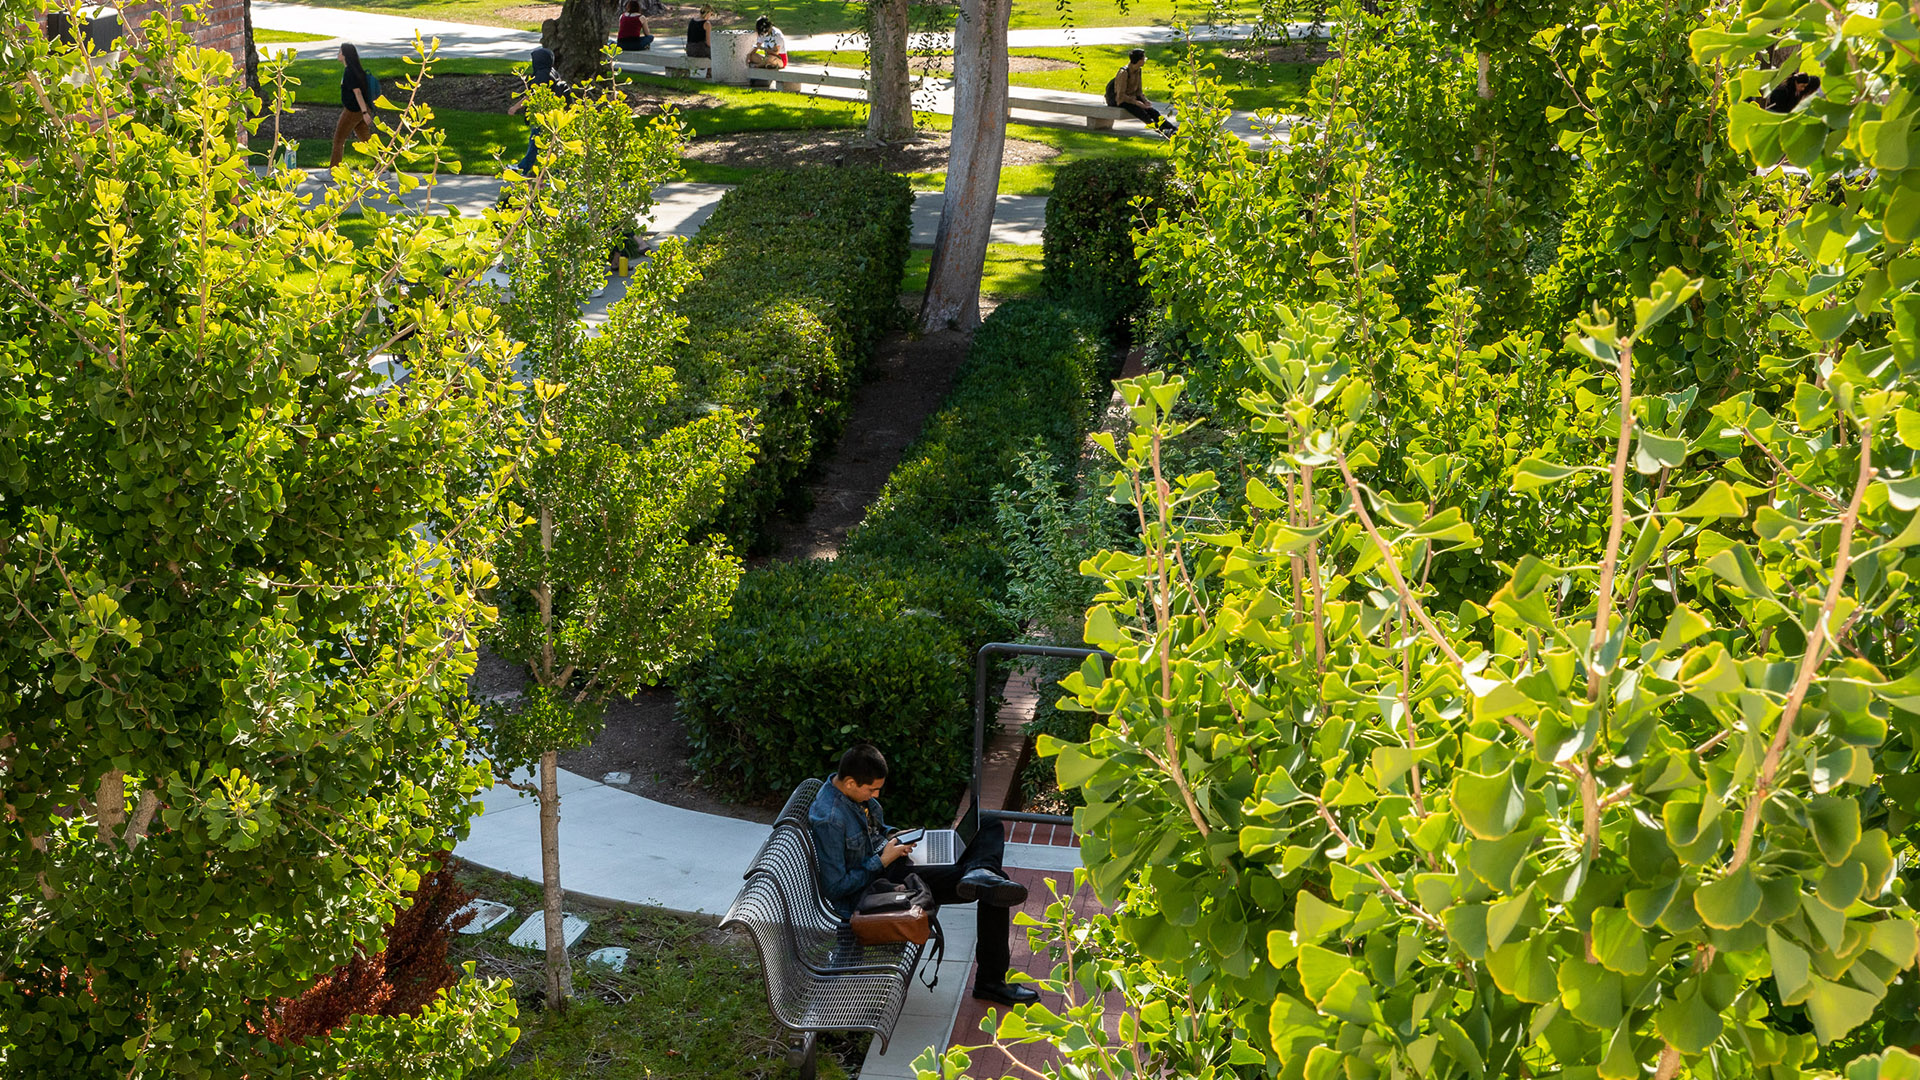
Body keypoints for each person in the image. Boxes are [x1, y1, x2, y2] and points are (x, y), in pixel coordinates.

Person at [808, 744, 1042, 1007]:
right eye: (872, 790)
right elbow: (836, 887)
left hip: (892, 863)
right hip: (879, 888)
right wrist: (882, 859)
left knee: (987, 823)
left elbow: (874, 829)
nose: (876, 794)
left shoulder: (849, 793)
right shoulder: (830, 819)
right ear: (850, 782)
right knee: (994, 889)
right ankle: (991, 981)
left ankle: (980, 871)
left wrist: (893, 836)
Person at [506, 47, 560, 174]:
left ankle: (524, 168)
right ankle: (552, 170)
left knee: (536, 142)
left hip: (541, 115)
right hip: (552, 114)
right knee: (545, 144)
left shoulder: (541, 76)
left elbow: (531, 97)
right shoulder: (553, 72)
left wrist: (514, 108)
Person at [1105, 48, 1176, 137]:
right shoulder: (1124, 73)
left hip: (1132, 97)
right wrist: (1137, 103)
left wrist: (1144, 101)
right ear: (1138, 60)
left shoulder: (1138, 70)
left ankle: (1173, 129)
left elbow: (1139, 91)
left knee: (1152, 111)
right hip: (1120, 100)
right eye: (1143, 58)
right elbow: (1121, 95)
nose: (1145, 60)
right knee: (1142, 113)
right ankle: (1162, 132)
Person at [329, 43, 377, 168]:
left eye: (340, 52)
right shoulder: (354, 69)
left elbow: (357, 92)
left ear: (345, 55)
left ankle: (333, 171)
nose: (338, 54)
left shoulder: (350, 72)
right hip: (359, 111)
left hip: (353, 111)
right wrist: (364, 112)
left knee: (339, 139)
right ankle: (382, 168)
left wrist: (365, 113)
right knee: (367, 140)